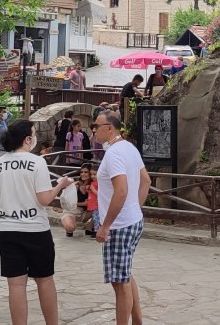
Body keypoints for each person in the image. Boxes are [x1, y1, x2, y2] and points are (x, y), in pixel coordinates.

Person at [0, 120, 74, 325]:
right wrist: (60, 184)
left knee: (16, 286)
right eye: (33, 134)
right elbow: (44, 199)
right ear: (27, 139)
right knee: (44, 280)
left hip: (6, 230)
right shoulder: (37, 162)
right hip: (35, 230)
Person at [94, 111, 151, 325]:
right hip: (132, 220)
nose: (94, 130)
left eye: (96, 126)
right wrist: (135, 208)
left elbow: (121, 191)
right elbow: (146, 180)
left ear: (109, 128)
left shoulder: (114, 153)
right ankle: (137, 320)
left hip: (118, 225)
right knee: (125, 274)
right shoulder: (129, 147)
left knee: (119, 282)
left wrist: (105, 225)